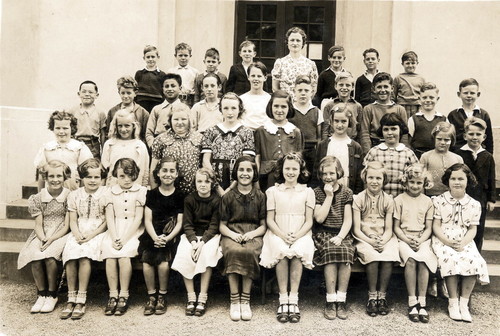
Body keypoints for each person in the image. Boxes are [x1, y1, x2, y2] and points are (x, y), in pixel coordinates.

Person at [260, 152, 315, 323]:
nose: (290, 172)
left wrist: (297, 235)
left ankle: (294, 299)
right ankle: (283, 300)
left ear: (300, 171)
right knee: (282, 252)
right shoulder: (272, 191)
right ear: (281, 169)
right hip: (278, 232)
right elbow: (270, 220)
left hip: (301, 232)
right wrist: (283, 235)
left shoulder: (307, 191)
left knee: (298, 251)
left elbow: (308, 221)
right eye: (287, 168)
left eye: (294, 169)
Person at [431, 163, 489, 322]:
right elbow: (436, 225)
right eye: (453, 178)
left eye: (461, 179)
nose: (457, 182)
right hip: (443, 237)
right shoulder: (439, 200)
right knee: (450, 259)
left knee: (474, 260)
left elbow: (472, 229)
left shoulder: (474, 204)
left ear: (468, 181)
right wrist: (447, 241)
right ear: (448, 181)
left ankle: (464, 303)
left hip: (464, 239)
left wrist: (463, 243)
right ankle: (453, 302)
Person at [17, 160, 71, 313]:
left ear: (65, 176)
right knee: (35, 255)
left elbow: (67, 226)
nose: (55, 179)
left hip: (61, 233)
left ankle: (52, 294)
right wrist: (42, 238)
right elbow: (38, 225)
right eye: (51, 176)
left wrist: (52, 239)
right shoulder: (38, 198)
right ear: (45, 177)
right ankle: (42, 293)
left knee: (50, 257)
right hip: (43, 233)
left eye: (59, 176)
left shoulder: (69, 196)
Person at [219, 156, 266, 321]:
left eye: (248, 170)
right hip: (231, 233)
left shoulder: (260, 196)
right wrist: (232, 235)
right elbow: (222, 225)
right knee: (232, 250)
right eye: (241, 170)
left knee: (249, 251)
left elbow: (263, 225)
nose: (244, 174)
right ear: (235, 172)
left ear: (254, 173)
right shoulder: (228, 196)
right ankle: (234, 299)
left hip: (253, 233)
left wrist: (252, 234)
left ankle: (245, 299)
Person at [60, 158, 107, 320]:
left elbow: (107, 222)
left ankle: (81, 298)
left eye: (96, 177)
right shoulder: (74, 195)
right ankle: (70, 297)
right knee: (71, 255)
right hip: (79, 230)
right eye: (88, 177)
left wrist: (91, 236)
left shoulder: (105, 193)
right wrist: (77, 234)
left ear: (102, 178)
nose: (93, 181)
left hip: (98, 232)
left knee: (85, 257)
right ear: (81, 179)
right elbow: (72, 220)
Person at [171, 168, 222, 317]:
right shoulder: (189, 199)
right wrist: (193, 242)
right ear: (195, 182)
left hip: (209, 237)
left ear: (212, 183)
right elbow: (187, 224)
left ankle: (203, 296)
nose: (203, 184)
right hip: (192, 236)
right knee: (185, 253)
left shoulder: (216, 200)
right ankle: (191, 296)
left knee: (206, 255)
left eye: (207, 181)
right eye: (199, 181)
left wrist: (202, 243)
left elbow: (214, 225)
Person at [352, 161, 400, 317]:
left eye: (378, 178)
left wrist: (383, 241)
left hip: (384, 237)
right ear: (365, 178)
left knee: (388, 256)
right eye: (371, 177)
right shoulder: (358, 198)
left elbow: (389, 228)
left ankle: (382, 295)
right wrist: (371, 241)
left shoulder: (388, 199)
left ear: (383, 180)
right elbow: (356, 229)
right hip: (364, 237)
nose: (374, 181)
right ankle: (372, 296)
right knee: (372, 256)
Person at [138, 157, 184, 316]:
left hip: (171, 235)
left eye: (172, 171)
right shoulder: (151, 194)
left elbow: (179, 223)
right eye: (164, 170)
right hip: (152, 234)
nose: (168, 174)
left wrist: (167, 238)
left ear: (177, 174)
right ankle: (151, 296)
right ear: (158, 173)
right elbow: (147, 220)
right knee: (147, 263)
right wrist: (154, 237)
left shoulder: (180, 195)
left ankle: (162, 296)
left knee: (163, 263)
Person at [101, 158, 146, 316]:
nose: (127, 180)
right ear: (115, 176)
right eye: (122, 176)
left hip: (133, 231)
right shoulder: (110, 192)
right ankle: (113, 294)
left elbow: (138, 218)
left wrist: (125, 239)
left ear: (135, 175)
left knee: (124, 255)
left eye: (130, 175)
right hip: (115, 229)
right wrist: (114, 237)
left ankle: (124, 295)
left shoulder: (141, 191)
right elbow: (110, 217)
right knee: (110, 254)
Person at [393, 163, 437, 323]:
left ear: (424, 184)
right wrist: (407, 240)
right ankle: (412, 301)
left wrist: (420, 240)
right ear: (405, 182)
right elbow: (396, 227)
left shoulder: (428, 202)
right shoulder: (398, 200)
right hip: (404, 238)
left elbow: (429, 228)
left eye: (419, 183)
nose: (415, 186)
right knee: (411, 260)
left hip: (422, 238)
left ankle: (422, 301)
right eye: (412, 182)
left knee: (424, 260)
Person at [313, 156, 354, 320]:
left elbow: (348, 220)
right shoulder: (317, 192)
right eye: (325, 174)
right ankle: (330, 299)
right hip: (323, 232)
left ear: (339, 173)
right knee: (330, 252)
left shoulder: (346, 192)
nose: (328, 177)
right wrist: (328, 196)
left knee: (345, 252)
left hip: (342, 232)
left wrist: (341, 236)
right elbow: (319, 219)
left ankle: (341, 299)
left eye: (332, 173)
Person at [455, 117, 496, 252]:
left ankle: (476, 257)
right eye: (471, 134)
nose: (474, 137)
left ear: (484, 137)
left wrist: (491, 199)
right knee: (462, 227)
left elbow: (491, 178)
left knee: (478, 229)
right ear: (465, 136)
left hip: (481, 198)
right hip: (463, 196)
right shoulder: (459, 153)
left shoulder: (487, 156)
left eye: (478, 134)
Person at [201, 92, 255, 195]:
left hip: (237, 181)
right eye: (226, 108)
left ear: (239, 109)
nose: (230, 112)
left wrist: (231, 188)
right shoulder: (211, 132)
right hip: (215, 180)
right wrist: (217, 187)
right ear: (220, 109)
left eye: (233, 108)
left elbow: (246, 162)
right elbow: (205, 161)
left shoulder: (247, 133)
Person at [255, 90, 304, 191]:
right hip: (266, 177)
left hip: (288, 177)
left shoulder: (295, 131)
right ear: (270, 107)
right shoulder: (261, 131)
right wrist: (256, 182)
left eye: (283, 107)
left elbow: (299, 158)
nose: (279, 110)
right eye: (276, 106)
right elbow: (257, 158)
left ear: (289, 108)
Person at [150, 104, 202, 195]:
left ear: (189, 120)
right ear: (170, 121)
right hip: (169, 193)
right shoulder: (160, 139)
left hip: (194, 193)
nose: (180, 122)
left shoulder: (199, 138)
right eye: (176, 119)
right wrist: (156, 194)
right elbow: (153, 169)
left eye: (183, 119)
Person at [34, 111, 93, 191]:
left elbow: (85, 174)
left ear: (71, 128)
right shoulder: (47, 148)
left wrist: (82, 195)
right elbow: (42, 175)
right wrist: (40, 194)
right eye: (58, 128)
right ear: (53, 128)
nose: (61, 132)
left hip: (73, 191)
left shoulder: (79, 147)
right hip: (52, 193)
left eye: (65, 128)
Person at [364, 113, 418, 197]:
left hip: (402, 201)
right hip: (378, 200)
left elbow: (417, 177)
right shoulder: (374, 152)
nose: (389, 133)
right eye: (386, 129)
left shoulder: (408, 153)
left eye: (393, 129)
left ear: (400, 130)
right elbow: (365, 178)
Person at [314, 105, 363, 194]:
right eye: (336, 121)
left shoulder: (355, 147)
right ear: (331, 122)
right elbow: (316, 171)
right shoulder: (323, 145)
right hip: (327, 186)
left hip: (346, 186)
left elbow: (359, 176)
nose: (339, 125)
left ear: (349, 122)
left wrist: (356, 194)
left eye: (343, 121)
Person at [359, 72, 409, 155]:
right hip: (374, 146)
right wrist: (368, 153)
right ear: (374, 89)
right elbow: (364, 134)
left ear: (392, 88)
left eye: (386, 87)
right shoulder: (369, 109)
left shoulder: (400, 109)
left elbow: (404, 135)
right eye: (379, 87)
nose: (382, 90)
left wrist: (402, 151)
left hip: (395, 147)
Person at [101, 110, 149, 187]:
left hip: (135, 188)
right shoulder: (110, 144)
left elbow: (145, 171)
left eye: (127, 126)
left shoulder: (140, 146)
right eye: (120, 126)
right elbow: (104, 169)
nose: (123, 129)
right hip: (113, 188)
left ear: (133, 126)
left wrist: (143, 189)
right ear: (115, 126)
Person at [289, 75, 322, 185]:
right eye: (300, 90)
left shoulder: (316, 111)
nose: (303, 93)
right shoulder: (290, 111)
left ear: (311, 92)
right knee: (296, 176)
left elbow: (319, 135)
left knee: (311, 178)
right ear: (294, 91)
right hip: (295, 149)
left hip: (311, 150)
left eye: (306, 90)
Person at [448, 78, 493, 153]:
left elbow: (489, 140)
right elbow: (450, 138)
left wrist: (489, 155)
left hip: (479, 154)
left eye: (472, 93)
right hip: (459, 154)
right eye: (465, 93)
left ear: (478, 94)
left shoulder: (484, 114)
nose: (469, 95)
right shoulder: (453, 115)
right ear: (459, 94)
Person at [272, 27, 318, 99]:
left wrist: (303, 102)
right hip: (285, 105)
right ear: (287, 42)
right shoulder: (280, 63)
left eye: (298, 40)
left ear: (303, 43)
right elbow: (275, 87)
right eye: (292, 40)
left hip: (303, 104)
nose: (295, 43)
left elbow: (313, 88)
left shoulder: (310, 64)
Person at [420, 122, 463, 198]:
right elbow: (421, 180)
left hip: (451, 197)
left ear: (452, 140)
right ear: (434, 138)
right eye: (439, 139)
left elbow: (460, 181)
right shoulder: (426, 156)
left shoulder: (458, 159)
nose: (442, 142)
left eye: (446, 140)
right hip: (430, 196)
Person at [67, 80, 107, 159]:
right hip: (76, 143)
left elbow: (103, 134)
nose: (87, 94)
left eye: (90, 92)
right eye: (84, 91)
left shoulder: (100, 112)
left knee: (93, 167)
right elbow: (68, 130)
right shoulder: (72, 111)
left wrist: (104, 152)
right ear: (79, 94)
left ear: (97, 95)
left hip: (93, 145)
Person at [407, 82, 447, 158]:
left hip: (437, 156)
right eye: (424, 97)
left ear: (437, 99)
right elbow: (409, 142)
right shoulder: (413, 119)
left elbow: (446, 140)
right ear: (419, 99)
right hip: (418, 156)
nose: (428, 100)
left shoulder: (443, 119)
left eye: (431, 97)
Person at [106, 76, 149, 144]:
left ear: (135, 93)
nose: (125, 96)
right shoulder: (112, 111)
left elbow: (145, 135)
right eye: (123, 93)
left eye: (129, 93)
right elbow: (108, 133)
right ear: (119, 93)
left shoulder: (143, 113)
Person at [145, 73, 184, 148]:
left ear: (180, 88)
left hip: (179, 146)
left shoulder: (185, 109)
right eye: (166, 86)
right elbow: (149, 133)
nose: (169, 89)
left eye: (173, 86)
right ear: (162, 89)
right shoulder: (157, 109)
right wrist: (153, 146)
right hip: (159, 146)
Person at [321, 72, 362, 141]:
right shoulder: (329, 105)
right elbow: (325, 129)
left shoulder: (357, 106)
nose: (344, 88)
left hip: (351, 142)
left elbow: (360, 129)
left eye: (347, 85)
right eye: (341, 85)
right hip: (333, 141)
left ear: (352, 87)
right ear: (335, 86)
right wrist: (325, 145)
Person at [134, 45, 168, 112]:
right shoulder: (139, 73)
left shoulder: (162, 74)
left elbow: (164, 91)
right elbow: (135, 89)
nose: (150, 59)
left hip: (157, 103)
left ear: (158, 57)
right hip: (141, 103)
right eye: (148, 57)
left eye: (153, 57)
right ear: (144, 58)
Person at [393, 51, 425, 118]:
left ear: (417, 63)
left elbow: (424, 95)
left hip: (417, 107)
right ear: (402, 64)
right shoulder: (398, 78)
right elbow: (393, 96)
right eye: (407, 63)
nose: (410, 65)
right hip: (402, 106)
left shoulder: (421, 79)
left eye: (413, 63)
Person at [240, 62, 271, 131]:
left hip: (264, 134)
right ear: (248, 77)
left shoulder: (269, 99)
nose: (256, 79)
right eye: (253, 76)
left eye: (259, 76)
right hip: (246, 134)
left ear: (265, 78)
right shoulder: (242, 99)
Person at [167, 42, 199, 108]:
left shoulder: (195, 72)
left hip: (189, 100)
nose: (183, 58)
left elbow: (196, 90)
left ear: (190, 56)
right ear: (175, 56)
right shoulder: (171, 71)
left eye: (186, 55)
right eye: (180, 55)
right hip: (174, 99)